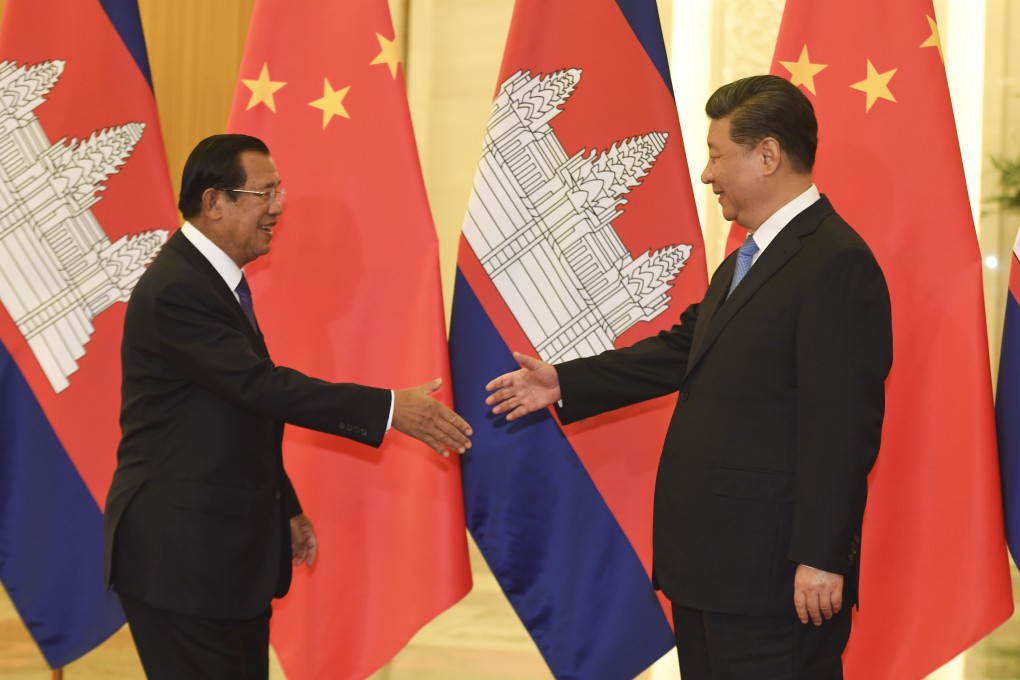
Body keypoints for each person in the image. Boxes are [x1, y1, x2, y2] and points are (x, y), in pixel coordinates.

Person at [485, 75, 892, 678]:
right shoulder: (748, 259)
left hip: (773, 581)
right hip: (711, 571)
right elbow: (682, 350)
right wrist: (564, 382)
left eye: (717, 155)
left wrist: (821, 556)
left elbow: (842, 427)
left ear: (768, 155)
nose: (706, 174)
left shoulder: (836, 263)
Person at [103, 134, 472, 679]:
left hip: (223, 555)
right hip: (181, 558)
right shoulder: (179, 289)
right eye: (265, 193)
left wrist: (285, 507)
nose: (278, 207)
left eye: (280, 192)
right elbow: (261, 388)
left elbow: (238, 412)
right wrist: (390, 408)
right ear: (214, 202)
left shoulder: (214, 282)